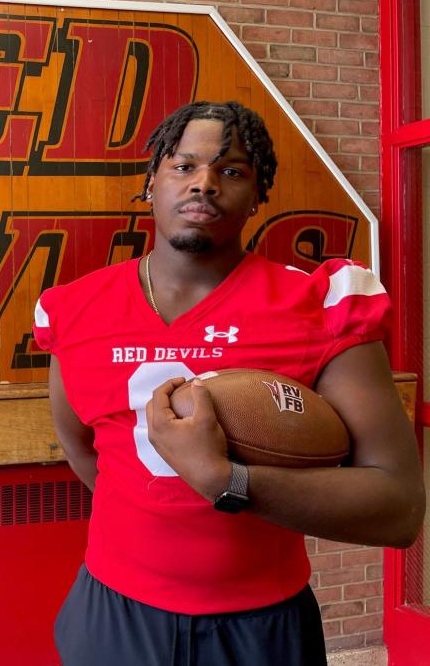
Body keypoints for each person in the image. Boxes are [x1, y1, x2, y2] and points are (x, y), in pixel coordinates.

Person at [32, 101, 425, 666]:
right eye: (183, 166)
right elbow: (85, 452)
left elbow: (399, 507)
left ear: (258, 194)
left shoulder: (321, 304)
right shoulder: (75, 309)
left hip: (259, 622)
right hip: (114, 612)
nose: (205, 184)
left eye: (232, 171)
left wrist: (227, 480)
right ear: (151, 183)